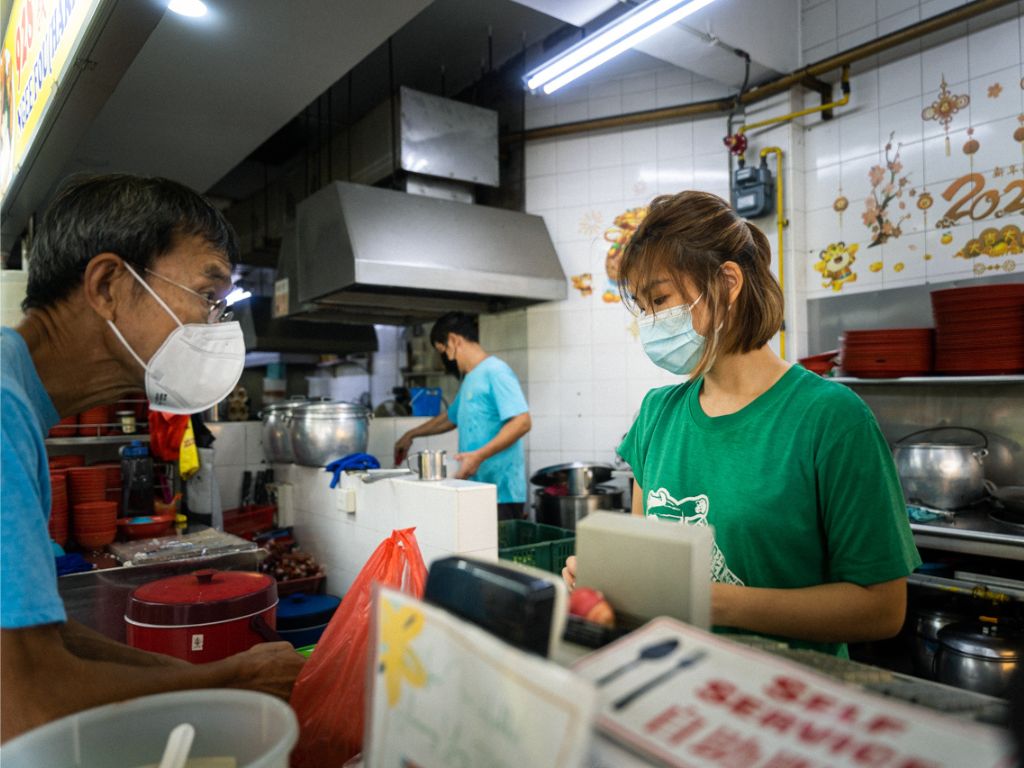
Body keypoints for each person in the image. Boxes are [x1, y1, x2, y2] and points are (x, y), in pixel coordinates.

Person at [1, 174, 304, 743]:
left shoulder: (18, 400)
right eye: (209, 296)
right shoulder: (1, 407)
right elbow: (28, 704)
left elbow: (50, 637)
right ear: (110, 284)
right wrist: (228, 682)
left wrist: (200, 675)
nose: (217, 325)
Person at [562, 190, 921, 657]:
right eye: (643, 307)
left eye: (660, 299)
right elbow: (649, 568)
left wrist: (716, 603)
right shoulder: (656, 416)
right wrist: (611, 585)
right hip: (675, 684)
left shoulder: (830, 419)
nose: (650, 322)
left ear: (728, 282)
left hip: (786, 702)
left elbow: (881, 609)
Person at [395, 312, 532, 521]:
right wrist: (411, 434)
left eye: (444, 351)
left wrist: (478, 456)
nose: (447, 360)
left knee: (496, 553)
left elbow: (522, 422)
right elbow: (450, 417)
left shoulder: (496, 371)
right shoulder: (471, 377)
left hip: (501, 493)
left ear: (454, 340)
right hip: (476, 487)